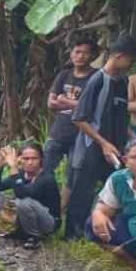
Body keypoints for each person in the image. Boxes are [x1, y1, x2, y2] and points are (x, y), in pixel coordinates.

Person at [64, 34, 136, 240]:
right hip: (92, 146)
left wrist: (134, 140)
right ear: (119, 56)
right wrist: (103, 143)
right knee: (83, 191)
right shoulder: (98, 80)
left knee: (116, 189)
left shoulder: (122, 81)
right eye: (131, 60)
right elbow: (79, 118)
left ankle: (108, 233)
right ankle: (73, 235)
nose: (132, 65)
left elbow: (122, 117)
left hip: (116, 149)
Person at [0, 142, 61, 249]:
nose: (30, 162)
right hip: (26, 213)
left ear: (41, 159)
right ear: (20, 159)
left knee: (23, 202)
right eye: (26, 158)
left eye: (34, 158)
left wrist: (13, 167)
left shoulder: (47, 177)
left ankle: (34, 236)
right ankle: (18, 229)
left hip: (48, 222)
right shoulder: (21, 174)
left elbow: (23, 194)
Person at [87, 137, 136, 271]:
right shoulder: (119, 179)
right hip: (134, 230)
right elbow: (104, 209)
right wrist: (98, 213)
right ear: (125, 160)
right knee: (93, 225)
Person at [44, 36, 98, 181]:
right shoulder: (64, 74)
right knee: (45, 172)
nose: (80, 56)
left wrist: (64, 100)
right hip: (58, 132)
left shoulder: (96, 77)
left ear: (92, 56)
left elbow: (92, 107)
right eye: (77, 52)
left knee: (74, 177)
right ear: (71, 53)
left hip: (82, 135)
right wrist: (76, 104)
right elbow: (51, 103)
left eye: (85, 53)